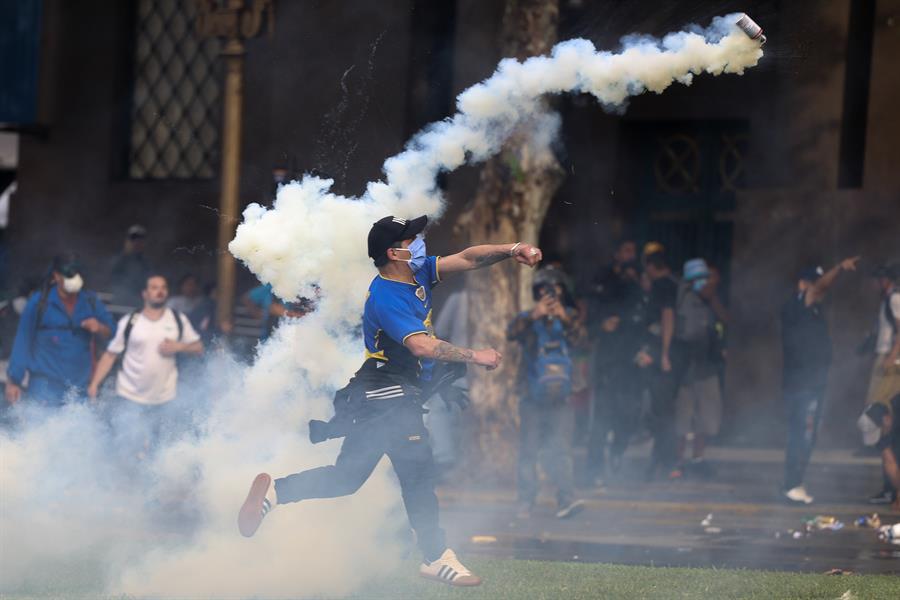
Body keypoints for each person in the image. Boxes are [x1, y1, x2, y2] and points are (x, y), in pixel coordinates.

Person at [237, 215, 543, 587]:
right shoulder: (386, 295)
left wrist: (512, 250)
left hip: (380, 395)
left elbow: (468, 258)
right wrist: (475, 355)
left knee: (346, 478)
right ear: (393, 251)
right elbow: (420, 345)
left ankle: (276, 491)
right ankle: (436, 557)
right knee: (417, 474)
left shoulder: (418, 273)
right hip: (389, 395)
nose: (420, 242)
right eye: (411, 238)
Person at [88, 274, 203, 454]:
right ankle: (125, 479)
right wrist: (94, 384)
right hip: (129, 396)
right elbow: (110, 355)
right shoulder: (130, 321)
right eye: (154, 287)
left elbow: (198, 347)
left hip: (164, 398)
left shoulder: (178, 320)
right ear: (145, 294)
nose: (160, 291)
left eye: (163, 287)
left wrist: (179, 346)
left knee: (159, 450)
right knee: (126, 447)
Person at [780, 257, 859, 504]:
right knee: (801, 433)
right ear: (803, 284)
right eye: (814, 283)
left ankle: (795, 481)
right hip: (801, 384)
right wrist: (840, 268)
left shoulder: (814, 309)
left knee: (808, 434)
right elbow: (819, 288)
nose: (821, 288)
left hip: (814, 383)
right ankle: (791, 484)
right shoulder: (797, 304)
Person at [508, 267, 586, 519]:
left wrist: (564, 318)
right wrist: (534, 315)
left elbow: (582, 342)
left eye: (555, 289)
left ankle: (566, 500)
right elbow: (511, 333)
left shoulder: (569, 317)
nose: (550, 295)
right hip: (532, 395)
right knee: (529, 450)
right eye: (544, 290)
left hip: (561, 397)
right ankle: (525, 502)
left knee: (561, 450)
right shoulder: (528, 318)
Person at [5, 253, 114, 405]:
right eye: (68, 275)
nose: (74, 279)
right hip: (44, 388)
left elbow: (112, 333)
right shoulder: (39, 302)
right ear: (56, 276)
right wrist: (14, 381)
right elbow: (23, 341)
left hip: (78, 389)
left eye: (76, 274)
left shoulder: (90, 300)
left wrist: (99, 327)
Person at [586, 239, 645, 482]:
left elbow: (644, 315)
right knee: (602, 415)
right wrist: (601, 326)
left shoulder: (638, 280)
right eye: (627, 250)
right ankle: (595, 469)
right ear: (617, 253)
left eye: (634, 251)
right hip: (608, 360)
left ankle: (618, 451)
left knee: (628, 413)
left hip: (630, 360)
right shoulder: (604, 279)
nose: (631, 255)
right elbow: (590, 315)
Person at [672, 259, 729, 478]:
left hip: (706, 368)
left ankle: (698, 459)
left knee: (706, 419)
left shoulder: (710, 301)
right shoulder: (683, 300)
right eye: (706, 278)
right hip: (686, 370)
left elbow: (724, 320)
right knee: (683, 419)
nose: (710, 283)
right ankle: (678, 462)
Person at [641, 252, 685, 479]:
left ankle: (666, 462)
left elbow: (667, 317)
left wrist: (664, 353)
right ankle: (661, 461)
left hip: (663, 357)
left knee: (663, 412)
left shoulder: (662, 286)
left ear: (651, 266)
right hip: (671, 355)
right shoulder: (676, 283)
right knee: (662, 411)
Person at [863, 263, 900, 504]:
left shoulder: (895, 298)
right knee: (879, 418)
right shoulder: (889, 299)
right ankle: (890, 486)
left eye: (878, 278)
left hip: (891, 362)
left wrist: (891, 357)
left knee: (877, 415)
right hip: (887, 359)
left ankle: (893, 487)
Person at [857, 393, 900, 512]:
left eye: (878, 432)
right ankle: (890, 490)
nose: (879, 438)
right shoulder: (886, 426)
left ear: (887, 419)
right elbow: (889, 461)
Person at [110, 225, 150, 307]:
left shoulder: (147, 264)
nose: (136, 243)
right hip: (120, 305)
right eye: (133, 240)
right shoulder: (117, 261)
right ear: (126, 242)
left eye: (140, 240)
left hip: (140, 305)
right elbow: (111, 284)